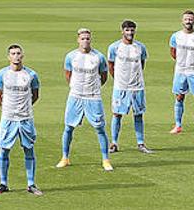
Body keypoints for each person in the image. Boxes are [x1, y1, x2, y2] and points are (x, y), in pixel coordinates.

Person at [58, 29, 113, 171]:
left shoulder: (98, 57)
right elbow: (68, 74)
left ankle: (105, 159)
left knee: (100, 128)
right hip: (75, 96)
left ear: (91, 40)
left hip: (93, 96)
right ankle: (65, 157)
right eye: (83, 38)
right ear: (78, 40)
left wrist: (94, 88)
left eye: (87, 38)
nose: (85, 41)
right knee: (68, 127)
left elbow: (104, 76)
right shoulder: (71, 56)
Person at [0, 44, 42, 196]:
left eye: (18, 53)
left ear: (22, 56)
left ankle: (31, 184)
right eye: (13, 53)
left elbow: (35, 94)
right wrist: (8, 109)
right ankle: (3, 183)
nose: (16, 56)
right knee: (4, 149)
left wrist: (24, 108)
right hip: (8, 118)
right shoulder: (2, 74)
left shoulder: (31, 74)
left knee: (29, 149)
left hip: (26, 117)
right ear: (8, 57)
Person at [107, 20, 153, 154]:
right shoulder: (114, 47)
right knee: (117, 114)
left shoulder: (140, 47)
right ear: (122, 31)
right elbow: (111, 65)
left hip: (137, 87)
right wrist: (118, 79)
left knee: (138, 114)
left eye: (132, 30)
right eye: (127, 30)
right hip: (121, 87)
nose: (130, 33)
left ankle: (140, 143)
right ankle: (114, 143)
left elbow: (142, 63)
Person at [170, 10, 194, 136]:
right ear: (182, 21)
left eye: (190, 19)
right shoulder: (176, 36)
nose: (188, 21)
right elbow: (172, 52)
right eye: (186, 19)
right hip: (180, 71)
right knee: (179, 96)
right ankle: (178, 125)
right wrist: (181, 63)